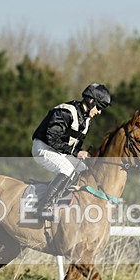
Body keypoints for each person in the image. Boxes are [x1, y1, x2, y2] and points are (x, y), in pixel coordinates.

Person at [31, 83, 111, 216]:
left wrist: (84, 156)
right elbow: (51, 139)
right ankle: (43, 207)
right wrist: (76, 153)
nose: (99, 112)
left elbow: (76, 146)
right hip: (43, 148)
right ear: (91, 101)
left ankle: (66, 204)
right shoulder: (65, 112)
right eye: (99, 107)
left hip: (60, 152)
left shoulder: (86, 121)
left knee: (84, 171)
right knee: (67, 170)